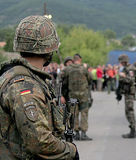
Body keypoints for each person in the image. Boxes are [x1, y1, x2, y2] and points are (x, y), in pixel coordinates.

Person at [0, 15, 78, 159]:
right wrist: (70, 150)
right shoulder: (25, 87)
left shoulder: (12, 75)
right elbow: (38, 142)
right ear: (49, 50)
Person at [62, 53, 93, 141]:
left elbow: (61, 79)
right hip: (83, 95)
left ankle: (76, 133)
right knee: (84, 113)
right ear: (80, 59)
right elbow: (90, 79)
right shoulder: (84, 68)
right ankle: (83, 133)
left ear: (73, 60)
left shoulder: (68, 69)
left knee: (74, 114)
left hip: (72, 95)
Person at [117, 54, 136, 138]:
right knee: (127, 111)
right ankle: (132, 129)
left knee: (129, 111)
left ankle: (133, 131)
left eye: (121, 62)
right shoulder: (126, 68)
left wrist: (123, 76)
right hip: (127, 92)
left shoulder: (130, 69)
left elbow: (131, 79)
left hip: (129, 93)